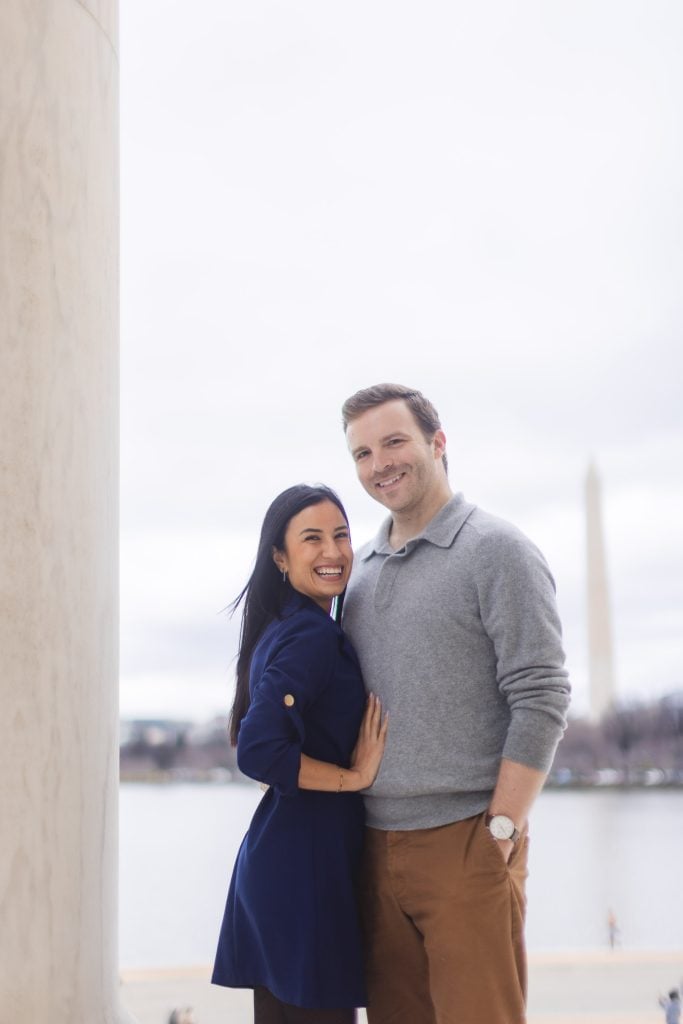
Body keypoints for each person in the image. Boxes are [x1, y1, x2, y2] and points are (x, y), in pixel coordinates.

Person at [340, 383, 571, 1024]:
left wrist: (501, 828)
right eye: (362, 453)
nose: (379, 463)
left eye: (393, 442)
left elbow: (543, 694)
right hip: (373, 846)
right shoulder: (358, 571)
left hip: (468, 839)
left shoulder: (498, 551)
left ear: (438, 444)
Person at [212, 483, 388, 1024]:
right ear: (280, 558)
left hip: (287, 861)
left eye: (341, 535)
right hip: (303, 874)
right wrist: (352, 776)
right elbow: (259, 750)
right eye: (312, 539)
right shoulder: (309, 635)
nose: (333, 552)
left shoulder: (288, 626)